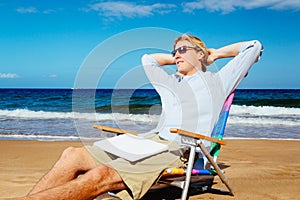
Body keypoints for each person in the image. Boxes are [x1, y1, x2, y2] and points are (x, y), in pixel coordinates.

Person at [10, 34, 263, 200]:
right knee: (71, 155)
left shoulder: (218, 81)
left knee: (99, 177)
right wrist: (181, 53)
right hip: (150, 141)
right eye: (174, 50)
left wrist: (213, 54)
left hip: (181, 148)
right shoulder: (169, 81)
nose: (176, 54)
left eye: (183, 49)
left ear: (199, 53)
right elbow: (147, 60)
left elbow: (253, 47)